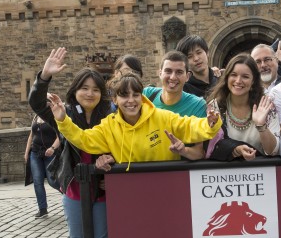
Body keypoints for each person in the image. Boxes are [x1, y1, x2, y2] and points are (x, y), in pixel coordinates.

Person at [28, 47, 113, 238]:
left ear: (102, 93)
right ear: (75, 91)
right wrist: (44, 76)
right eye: (84, 88)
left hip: (102, 189)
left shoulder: (110, 115)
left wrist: (110, 163)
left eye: (95, 89)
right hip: (75, 189)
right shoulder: (63, 113)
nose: (90, 93)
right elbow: (36, 102)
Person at [47, 72, 222, 172]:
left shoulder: (163, 117)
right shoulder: (109, 126)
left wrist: (209, 124)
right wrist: (63, 120)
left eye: (136, 95)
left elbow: (190, 126)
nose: (131, 100)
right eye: (124, 95)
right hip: (129, 189)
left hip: (167, 185)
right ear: (115, 100)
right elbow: (83, 139)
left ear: (142, 97)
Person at [205, 53, 279, 161]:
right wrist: (235, 149)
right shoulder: (214, 107)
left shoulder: (266, 105)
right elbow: (212, 147)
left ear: (253, 81)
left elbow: (272, 151)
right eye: (234, 75)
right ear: (227, 77)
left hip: (262, 169)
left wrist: (261, 126)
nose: (238, 81)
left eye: (245, 76)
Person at [24, 114, 60, 218]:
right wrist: (26, 152)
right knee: (37, 181)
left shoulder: (53, 116)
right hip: (35, 153)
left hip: (50, 153)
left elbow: (59, 136)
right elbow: (31, 136)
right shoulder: (35, 117)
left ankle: (69, 194)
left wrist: (52, 148)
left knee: (52, 180)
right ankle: (42, 209)